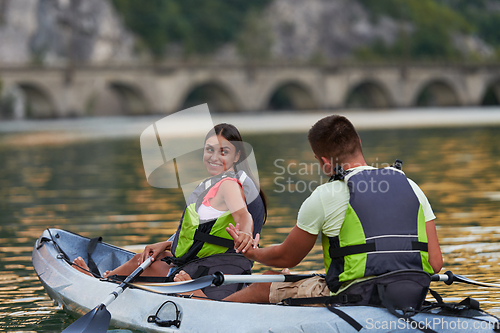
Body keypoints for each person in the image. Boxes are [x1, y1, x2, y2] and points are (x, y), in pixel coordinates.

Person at [176, 115, 443, 306]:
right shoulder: (410, 185)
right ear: (358, 142)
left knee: (266, 283)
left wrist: (252, 252)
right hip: (412, 293)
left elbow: (287, 258)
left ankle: (211, 308)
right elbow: (435, 263)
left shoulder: (326, 195)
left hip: (356, 296)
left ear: (324, 161)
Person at [73, 123, 266, 299]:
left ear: (237, 156)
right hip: (207, 262)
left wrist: (245, 233)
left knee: (141, 263)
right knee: (146, 257)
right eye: (209, 150)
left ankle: (100, 283)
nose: (214, 157)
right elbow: (201, 234)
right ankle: (106, 279)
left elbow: (243, 215)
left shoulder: (228, 185)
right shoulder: (216, 185)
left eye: (223, 152)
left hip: (213, 267)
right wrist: (166, 244)